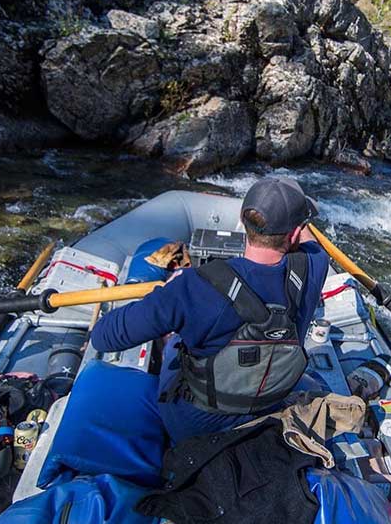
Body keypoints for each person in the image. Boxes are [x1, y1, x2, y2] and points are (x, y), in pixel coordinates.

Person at [91, 178, 329, 443]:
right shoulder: (314, 266)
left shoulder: (193, 287)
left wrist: (168, 295)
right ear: (295, 233)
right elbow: (311, 243)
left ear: (242, 218)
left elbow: (104, 337)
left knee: (174, 343)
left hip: (195, 425)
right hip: (270, 409)